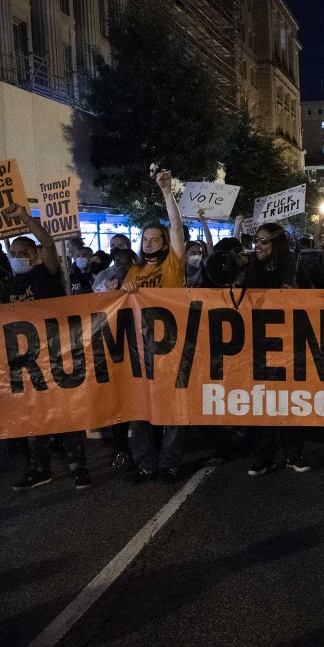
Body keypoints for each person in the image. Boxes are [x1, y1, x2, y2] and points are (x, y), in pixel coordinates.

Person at [2, 204, 93, 490]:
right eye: (13, 254)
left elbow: (49, 242)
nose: (17, 258)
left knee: (64, 411)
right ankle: (39, 468)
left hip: (56, 352)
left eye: (23, 253)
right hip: (28, 359)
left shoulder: (47, 272)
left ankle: (78, 467)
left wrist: (25, 219)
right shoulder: (11, 284)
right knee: (35, 414)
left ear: (35, 255)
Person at [121, 169, 188, 484]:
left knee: (173, 408)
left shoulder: (173, 265)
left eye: (154, 238)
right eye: (144, 239)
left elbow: (176, 226)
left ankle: (169, 463)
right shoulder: (132, 273)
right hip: (139, 349)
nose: (148, 243)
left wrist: (166, 193)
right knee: (140, 407)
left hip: (172, 348)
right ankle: (145, 463)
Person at [242, 222, 313, 476]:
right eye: (256, 240)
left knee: (289, 400)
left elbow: (318, 301)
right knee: (263, 401)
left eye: (265, 241)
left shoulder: (294, 269)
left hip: (290, 345)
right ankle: (264, 456)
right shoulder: (251, 269)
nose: (258, 246)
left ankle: (293, 453)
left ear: (277, 244)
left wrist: (298, 294)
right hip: (260, 346)